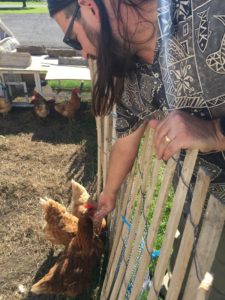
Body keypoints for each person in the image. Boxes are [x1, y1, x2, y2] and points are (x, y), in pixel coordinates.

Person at [47, 0, 225, 298]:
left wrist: (215, 133)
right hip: (199, 209)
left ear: (89, 5)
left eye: (73, 38)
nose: (83, 53)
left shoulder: (212, 12)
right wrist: (108, 196)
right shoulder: (131, 71)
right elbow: (126, 140)